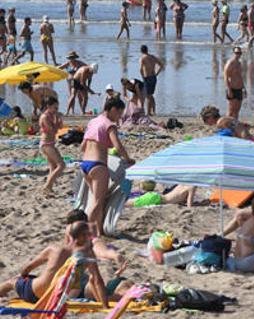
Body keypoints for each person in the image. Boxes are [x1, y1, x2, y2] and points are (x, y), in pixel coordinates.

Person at [0, 222, 109, 308]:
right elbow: (97, 281)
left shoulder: (55, 249)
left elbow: (28, 268)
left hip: (36, 294)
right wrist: (105, 306)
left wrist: (23, 275)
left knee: (12, 281)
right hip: (57, 299)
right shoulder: (89, 255)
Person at [81, 98, 133, 237]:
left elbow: (83, 146)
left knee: (97, 200)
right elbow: (118, 146)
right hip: (98, 165)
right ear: (113, 109)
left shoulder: (93, 121)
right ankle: (87, 233)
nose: (119, 118)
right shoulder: (109, 124)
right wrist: (128, 159)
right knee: (98, 202)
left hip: (85, 165)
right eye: (119, 114)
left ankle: (97, 230)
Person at [39, 97, 64, 193]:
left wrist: (58, 118)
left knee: (53, 166)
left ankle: (49, 187)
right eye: (55, 108)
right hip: (46, 144)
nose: (56, 110)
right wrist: (56, 122)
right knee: (61, 165)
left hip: (51, 143)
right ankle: (47, 186)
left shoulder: (51, 115)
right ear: (48, 106)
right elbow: (52, 130)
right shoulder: (45, 117)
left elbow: (60, 127)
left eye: (57, 108)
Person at [139, 45, 164, 117]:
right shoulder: (153, 57)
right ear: (147, 50)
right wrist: (156, 74)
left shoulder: (142, 58)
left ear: (141, 51)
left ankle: (148, 112)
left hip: (147, 77)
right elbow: (161, 65)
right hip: (153, 77)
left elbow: (140, 69)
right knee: (150, 95)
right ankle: (154, 111)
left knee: (148, 96)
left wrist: (143, 77)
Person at [225, 46, 246, 119]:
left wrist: (244, 88)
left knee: (237, 110)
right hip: (232, 88)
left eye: (240, 53)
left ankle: (235, 124)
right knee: (231, 110)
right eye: (237, 53)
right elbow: (226, 77)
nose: (238, 55)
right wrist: (229, 89)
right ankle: (227, 125)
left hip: (239, 88)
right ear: (233, 53)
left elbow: (240, 77)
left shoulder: (239, 63)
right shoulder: (230, 63)